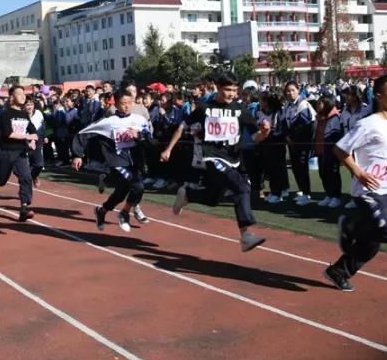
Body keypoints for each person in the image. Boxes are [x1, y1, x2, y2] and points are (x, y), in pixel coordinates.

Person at [323, 74, 387, 292]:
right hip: (367, 192)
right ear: (379, 96)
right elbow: (340, 149)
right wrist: (359, 173)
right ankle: (350, 225)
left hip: (386, 193)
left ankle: (339, 271)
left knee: (372, 244)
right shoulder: (368, 124)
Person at [160, 71, 269, 253]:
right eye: (227, 90)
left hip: (233, 159)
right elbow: (182, 126)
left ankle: (187, 194)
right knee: (242, 187)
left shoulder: (240, 110)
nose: (231, 94)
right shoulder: (204, 108)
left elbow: (255, 136)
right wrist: (169, 149)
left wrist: (265, 132)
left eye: (234, 90)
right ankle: (246, 235)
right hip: (212, 156)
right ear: (218, 87)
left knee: (213, 199)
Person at [71, 88, 152, 232]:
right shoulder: (108, 122)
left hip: (135, 160)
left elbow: (150, 139)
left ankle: (101, 211)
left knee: (121, 192)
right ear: (116, 104)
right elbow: (84, 133)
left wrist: (138, 136)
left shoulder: (139, 120)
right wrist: (78, 154)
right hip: (117, 160)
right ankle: (125, 213)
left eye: (129, 103)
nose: (126, 106)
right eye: (122, 103)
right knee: (138, 186)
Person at [0, 85, 39, 222]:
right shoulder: (5, 114)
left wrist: (33, 140)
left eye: (24, 94)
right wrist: (27, 137)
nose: (23, 96)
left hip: (20, 153)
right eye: (19, 94)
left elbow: (32, 130)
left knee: (26, 177)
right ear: (12, 98)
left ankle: (24, 208)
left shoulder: (24, 114)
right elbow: (9, 134)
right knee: (1, 181)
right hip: (6, 152)